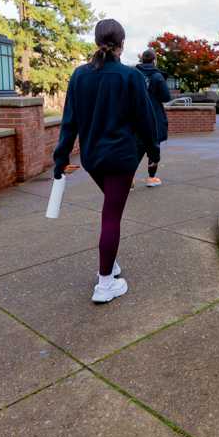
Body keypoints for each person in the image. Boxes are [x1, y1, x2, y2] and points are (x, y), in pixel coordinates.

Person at [53, 19, 159, 304]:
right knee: (111, 217)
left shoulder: (79, 76)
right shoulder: (130, 76)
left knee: (110, 211)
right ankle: (105, 284)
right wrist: (153, 151)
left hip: (93, 160)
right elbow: (145, 120)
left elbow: (69, 123)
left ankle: (109, 264)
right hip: (121, 157)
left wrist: (60, 158)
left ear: (97, 41)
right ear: (121, 44)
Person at [135, 48, 171, 187]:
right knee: (153, 149)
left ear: (142, 59)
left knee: (136, 149)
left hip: (136, 118)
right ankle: (151, 178)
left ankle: (129, 179)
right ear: (154, 60)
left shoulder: (134, 74)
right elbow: (166, 97)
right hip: (154, 117)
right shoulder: (157, 77)